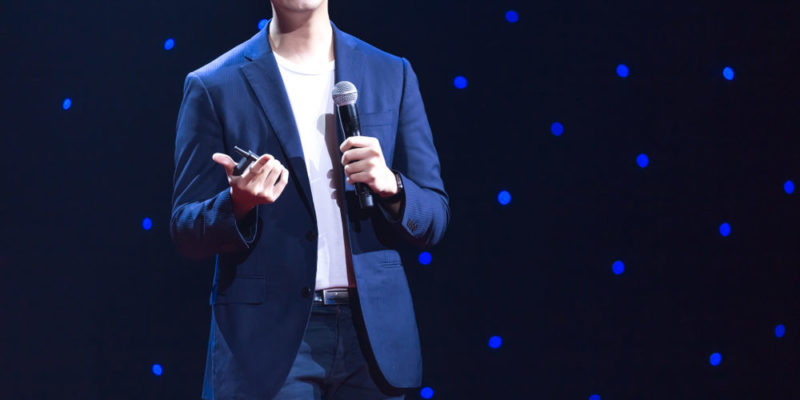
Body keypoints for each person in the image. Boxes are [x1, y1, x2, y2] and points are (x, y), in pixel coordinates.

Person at [170, 0, 449, 398]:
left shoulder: (391, 72)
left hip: (374, 336)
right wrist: (238, 204)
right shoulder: (214, 84)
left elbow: (435, 215)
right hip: (269, 343)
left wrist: (391, 185)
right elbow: (186, 230)